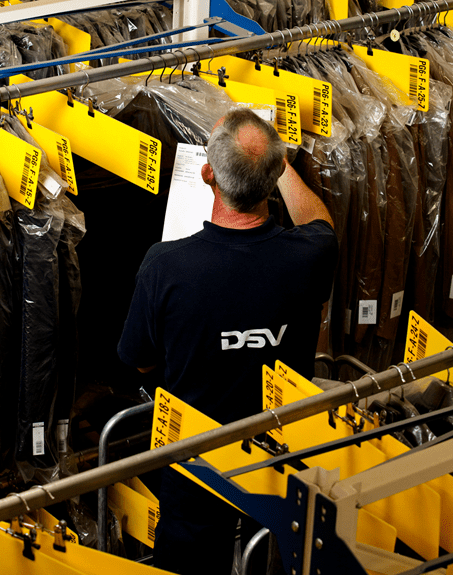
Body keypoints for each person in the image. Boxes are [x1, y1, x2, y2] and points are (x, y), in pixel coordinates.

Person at [117, 108, 338, 575]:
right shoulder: (310, 257)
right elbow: (318, 219)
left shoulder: (164, 267)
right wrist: (274, 163)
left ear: (206, 173)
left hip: (197, 467)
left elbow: (137, 362)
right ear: (276, 174)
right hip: (283, 461)